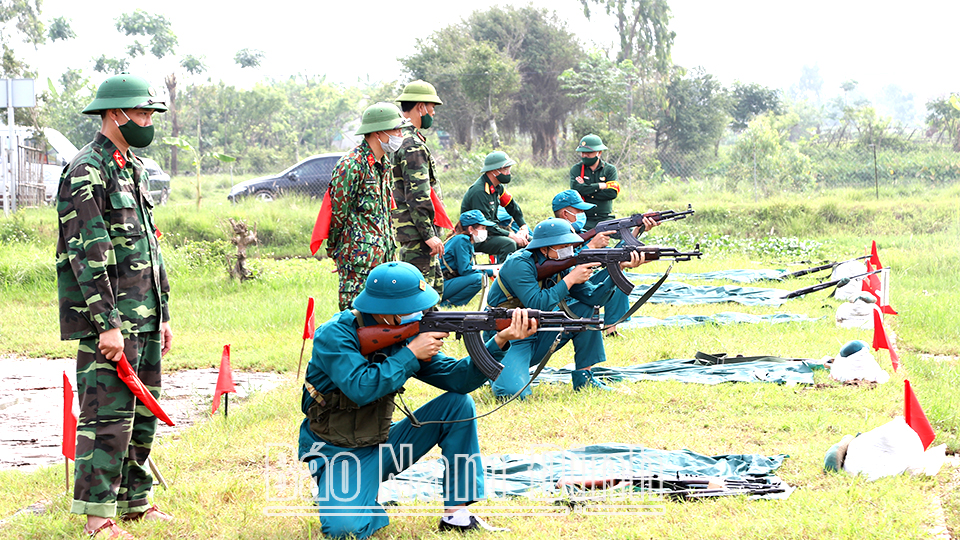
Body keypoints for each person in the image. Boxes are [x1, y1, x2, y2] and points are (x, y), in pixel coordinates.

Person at [298, 261, 536, 538]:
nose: (421, 313)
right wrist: (411, 353)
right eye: (413, 306)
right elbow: (360, 388)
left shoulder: (406, 333)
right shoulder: (335, 335)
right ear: (385, 309)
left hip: (382, 443)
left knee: (458, 405)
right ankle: (341, 491)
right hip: (338, 452)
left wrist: (499, 341)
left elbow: (459, 380)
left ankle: (456, 515)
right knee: (345, 530)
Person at [56, 73, 174, 538]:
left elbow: (150, 247)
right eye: (141, 113)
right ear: (112, 115)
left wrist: (163, 315)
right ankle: (97, 516)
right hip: (111, 323)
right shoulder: (86, 171)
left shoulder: (135, 168)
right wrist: (106, 324)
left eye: (149, 113)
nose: (147, 121)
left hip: (144, 317)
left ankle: (134, 502)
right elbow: (87, 253)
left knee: (143, 414)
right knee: (108, 418)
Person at [484, 218, 646, 398]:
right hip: (507, 337)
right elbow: (536, 303)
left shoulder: (561, 264)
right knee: (512, 393)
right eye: (564, 246)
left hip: (539, 329)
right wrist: (570, 279)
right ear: (544, 248)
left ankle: (584, 378)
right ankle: (495, 368)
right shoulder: (519, 264)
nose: (570, 251)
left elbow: (593, 297)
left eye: (571, 245)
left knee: (586, 309)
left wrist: (618, 268)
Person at [326, 103, 406, 311]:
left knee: (384, 318)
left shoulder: (384, 165)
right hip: (359, 261)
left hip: (384, 258)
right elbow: (338, 214)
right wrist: (335, 250)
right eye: (396, 129)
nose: (400, 134)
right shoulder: (351, 165)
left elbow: (384, 213)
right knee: (355, 318)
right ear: (378, 132)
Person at [551, 189, 658, 336]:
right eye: (579, 210)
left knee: (616, 271)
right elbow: (560, 264)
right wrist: (591, 246)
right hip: (564, 290)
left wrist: (637, 230)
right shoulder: (551, 233)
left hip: (583, 284)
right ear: (565, 213)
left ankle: (610, 329)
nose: (583, 214)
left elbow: (613, 255)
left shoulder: (581, 232)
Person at [392, 80, 448, 296]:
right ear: (420, 107)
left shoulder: (399, 137)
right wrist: (428, 234)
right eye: (432, 108)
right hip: (417, 235)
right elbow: (418, 194)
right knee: (423, 297)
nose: (432, 114)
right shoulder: (412, 144)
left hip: (410, 231)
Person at [460, 151, 529, 262]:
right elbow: (485, 224)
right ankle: (503, 277)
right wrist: (511, 235)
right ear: (493, 171)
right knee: (509, 244)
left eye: (509, 169)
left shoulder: (497, 187)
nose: (508, 173)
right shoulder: (479, 192)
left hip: (492, 233)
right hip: (476, 236)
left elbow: (512, 206)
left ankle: (522, 274)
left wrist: (523, 227)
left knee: (529, 241)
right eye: (505, 169)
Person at [438, 210, 497, 307]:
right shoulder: (462, 240)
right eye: (482, 228)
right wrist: (491, 271)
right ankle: (447, 305)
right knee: (479, 279)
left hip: (444, 283)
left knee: (478, 277)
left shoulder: (463, 239)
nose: (485, 231)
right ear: (471, 229)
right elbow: (465, 270)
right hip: (440, 284)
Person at [569, 134, 620, 231]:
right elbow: (576, 190)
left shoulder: (610, 170)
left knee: (627, 234)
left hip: (605, 218)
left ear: (599, 153)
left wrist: (587, 189)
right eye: (582, 153)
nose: (584, 156)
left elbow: (612, 193)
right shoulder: (577, 169)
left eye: (588, 153)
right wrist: (601, 185)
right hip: (584, 218)